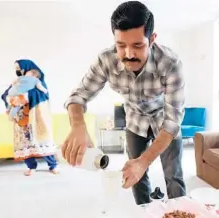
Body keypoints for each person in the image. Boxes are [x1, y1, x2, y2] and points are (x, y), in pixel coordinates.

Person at [62, 1, 186, 205]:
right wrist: (78, 125)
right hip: (134, 120)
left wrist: (145, 161)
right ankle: (144, 217)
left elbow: (173, 122)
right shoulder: (106, 60)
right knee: (134, 174)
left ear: (152, 39)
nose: (128, 54)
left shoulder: (171, 64)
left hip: (165, 121)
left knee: (174, 177)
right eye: (121, 45)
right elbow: (78, 96)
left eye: (138, 45)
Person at [1, 59, 58, 176]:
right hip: (22, 119)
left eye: (19, 69)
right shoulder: (18, 82)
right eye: (16, 69)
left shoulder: (38, 82)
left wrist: (25, 96)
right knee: (25, 143)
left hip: (35, 118)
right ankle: (31, 166)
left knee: (41, 141)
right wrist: (12, 99)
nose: (18, 71)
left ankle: (53, 165)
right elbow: (6, 94)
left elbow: (43, 95)